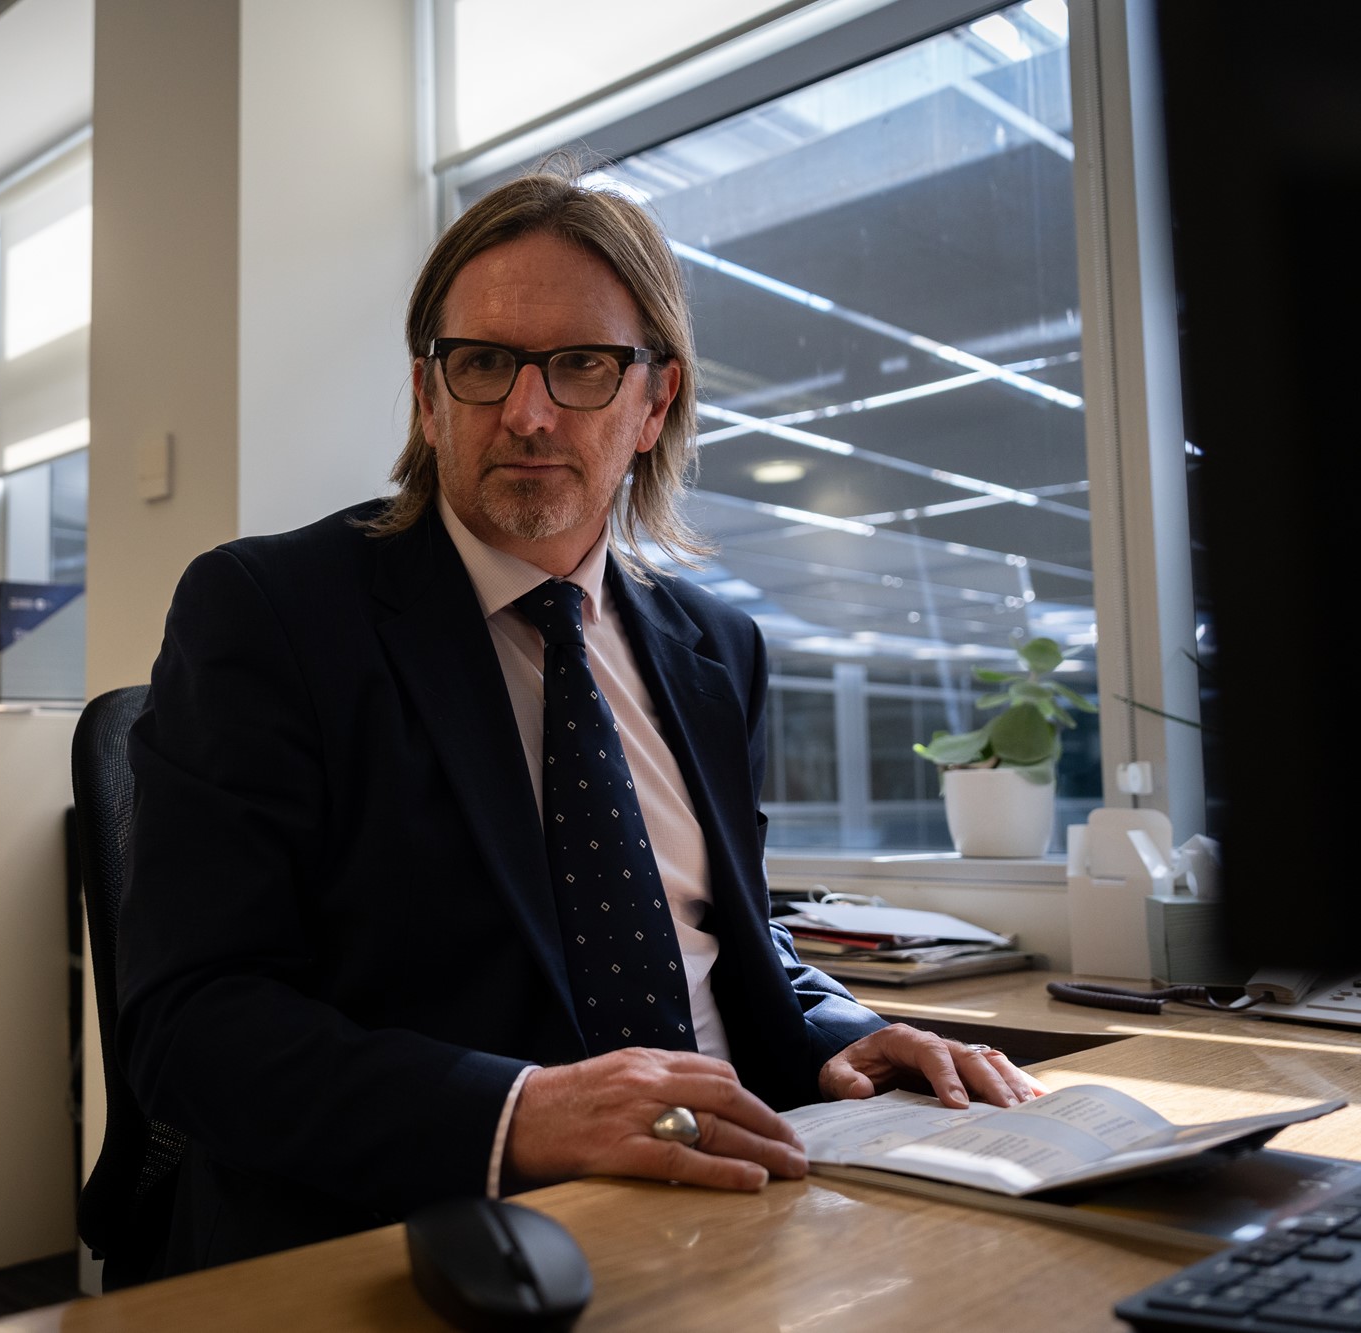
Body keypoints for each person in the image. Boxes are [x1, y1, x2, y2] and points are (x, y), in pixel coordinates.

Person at [115, 167, 1043, 1281]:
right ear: (427, 396)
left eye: (582, 366)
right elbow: (192, 1021)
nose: (526, 410)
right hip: (435, 1230)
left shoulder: (716, 653)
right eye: (483, 364)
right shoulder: (270, 615)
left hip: (748, 1201)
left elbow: (721, 941)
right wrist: (519, 1111)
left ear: (654, 404)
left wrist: (844, 1031)